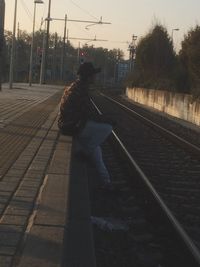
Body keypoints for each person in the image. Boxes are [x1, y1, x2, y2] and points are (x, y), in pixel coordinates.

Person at [58, 62, 113, 188]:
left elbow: (88, 114)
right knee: (107, 128)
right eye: (94, 75)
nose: (95, 77)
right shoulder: (80, 90)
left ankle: (106, 181)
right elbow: (90, 114)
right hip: (71, 126)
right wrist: (107, 120)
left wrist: (103, 118)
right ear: (89, 77)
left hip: (69, 124)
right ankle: (85, 152)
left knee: (96, 148)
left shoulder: (76, 86)